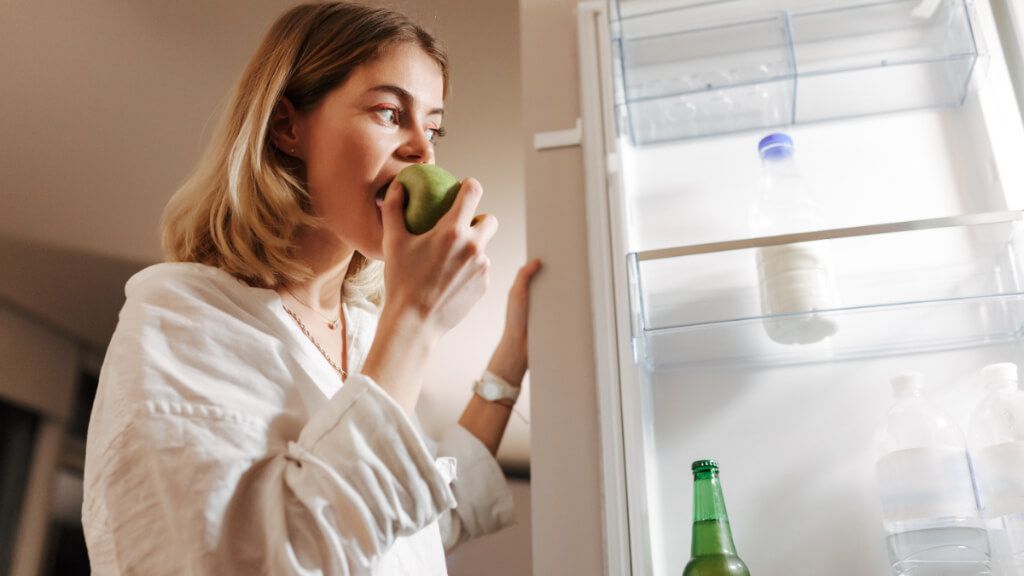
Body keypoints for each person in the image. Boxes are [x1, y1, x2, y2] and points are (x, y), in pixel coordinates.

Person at [80, 3, 541, 574]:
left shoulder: (366, 331)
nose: (423, 150)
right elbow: (267, 557)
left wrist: (511, 357)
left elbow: (408, 524)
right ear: (287, 127)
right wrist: (417, 318)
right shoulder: (182, 314)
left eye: (434, 127)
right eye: (389, 112)